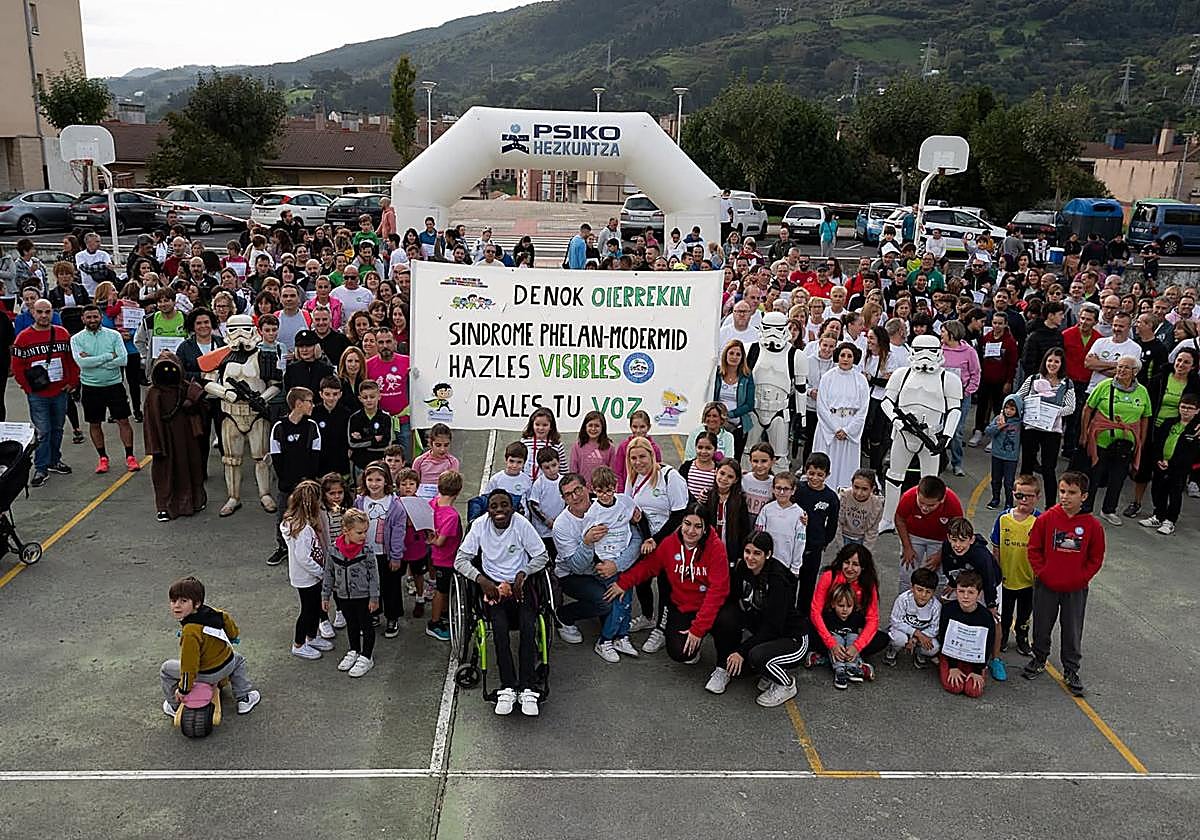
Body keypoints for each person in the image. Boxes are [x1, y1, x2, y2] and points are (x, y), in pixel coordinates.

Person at [608, 504, 731, 682]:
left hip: (709, 606)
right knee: (679, 653)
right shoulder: (670, 543)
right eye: (687, 524)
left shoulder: (716, 547)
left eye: (698, 526)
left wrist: (697, 630)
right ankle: (693, 647)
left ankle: (722, 666)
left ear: (705, 529)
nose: (690, 531)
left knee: (728, 621)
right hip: (684, 606)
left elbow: (717, 591)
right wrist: (623, 583)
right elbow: (649, 566)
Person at [455, 489, 550, 716]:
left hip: (520, 585)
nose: (499, 510)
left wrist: (522, 574)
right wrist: (482, 581)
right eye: (494, 506)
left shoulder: (521, 524)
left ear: (512, 507)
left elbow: (542, 556)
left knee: (528, 626)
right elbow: (460, 560)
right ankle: (507, 686)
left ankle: (527, 687)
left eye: (504, 505)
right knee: (499, 629)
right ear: (488, 510)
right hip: (493, 587)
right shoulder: (479, 526)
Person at [1023, 471, 1104, 696]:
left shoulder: (1092, 526)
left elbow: (1095, 558)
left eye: (1072, 492)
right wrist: (1043, 573)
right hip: (1046, 585)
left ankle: (1071, 669)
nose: (1065, 497)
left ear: (1084, 496)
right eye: (1062, 491)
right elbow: (1034, 549)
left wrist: (1080, 578)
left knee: (1072, 629)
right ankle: (1039, 658)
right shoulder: (1047, 519)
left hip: (1074, 590)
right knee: (1041, 624)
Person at [708, 531, 809, 704]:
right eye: (747, 552)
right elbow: (731, 599)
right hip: (765, 632)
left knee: (757, 656)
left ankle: (786, 684)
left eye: (757, 553)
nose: (750, 558)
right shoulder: (742, 568)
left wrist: (741, 651)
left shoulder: (778, 580)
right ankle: (724, 669)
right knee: (725, 618)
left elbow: (773, 627)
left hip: (792, 638)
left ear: (768, 554)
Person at [622, 437, 690, 651]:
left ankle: (661, 628)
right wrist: (645, 537)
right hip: (646, 538)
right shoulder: (632, 478)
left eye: (642, 456)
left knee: (664, 585)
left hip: (669, 539)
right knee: (642, 580)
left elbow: (679, 514)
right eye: (633, 458)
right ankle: (648, 616)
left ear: (652, 455)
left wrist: (656, 540)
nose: (638, 462)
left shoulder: (670, 477)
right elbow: (633, 511)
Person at [160, 576, 260, 719]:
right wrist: (233, 637)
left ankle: (173, 706)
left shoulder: (190, 632)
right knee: (239, 660)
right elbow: (230, 627)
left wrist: (183, 690)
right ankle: (243, 699)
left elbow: (189, 666)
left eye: (183, 601)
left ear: (196, 603)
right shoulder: (215, 614)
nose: (176, 605)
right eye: (173, 601)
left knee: (166, 669)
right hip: (226, 664)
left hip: (206, 674)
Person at [12, 298, 78, 487]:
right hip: (38, 394)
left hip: (59, 391)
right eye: (39, 312)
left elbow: (71, 360)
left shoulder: (62, 334)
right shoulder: (23, 338)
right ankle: (40, 467)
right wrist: (28, 387)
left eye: (47, 312)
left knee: (57, 428)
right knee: (43, 431)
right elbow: (17, 366)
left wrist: (72, 382)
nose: (43, 316)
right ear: (32, 312)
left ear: (52, 313)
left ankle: (54, 460)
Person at [1082, 357, 1152, 524]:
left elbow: (1145, 417)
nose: (1121, 370)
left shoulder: (1142, 391)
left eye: (1126, 368)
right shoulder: (1104, 386)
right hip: (1101, 440)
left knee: (1118, 477)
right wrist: (1084, 433)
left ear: (1135, 372)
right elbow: (1088, 408)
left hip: (1126, 444)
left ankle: (1109, 510)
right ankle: (1086, 509)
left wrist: (1141, 440)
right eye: (1119, 367)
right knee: (1094, 476)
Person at [70, 304, 138, 474]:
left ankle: (130, 456)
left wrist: (93, 360)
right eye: (89, 317)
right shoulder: (76, 339)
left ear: (101, 317)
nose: (92, 320)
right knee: (94, 423)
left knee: (123, 421)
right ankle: (103, 458)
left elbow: (123, 360)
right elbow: (82, 363)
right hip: (91, 388)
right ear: (83, 319)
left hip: (114, 385)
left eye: (95, 316)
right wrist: (109, 357)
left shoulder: (114, 335)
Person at [143, 353, 207, 521]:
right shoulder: (154, 393)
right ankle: (164, 506)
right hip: (165, 440)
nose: (168, 372)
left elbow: (201, 408)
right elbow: (150, 422)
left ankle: (193, 501)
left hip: (186, 438)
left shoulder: (184, 388)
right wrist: (154, 445)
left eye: (171, 368)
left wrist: (193, 402)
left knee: (190, 468)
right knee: (165, 473)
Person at [807, 543, 886, 674]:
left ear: (863, 567)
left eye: (855, 564)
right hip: (831, 623)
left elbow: (872, 619)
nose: (850, 568)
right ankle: (851, 661)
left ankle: (832, 657)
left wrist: (857, 646)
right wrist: (831, 643)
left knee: (882, 639)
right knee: (806, 628)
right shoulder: (829, 576)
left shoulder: (868, 583)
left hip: (853, 628)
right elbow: (815, 611)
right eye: (846, 562)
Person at [266, 387, 323, 566]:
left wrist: (308, 481)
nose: (312, 405)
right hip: (287, 484)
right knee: (283, 515)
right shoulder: (279, 427)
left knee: (310, 515)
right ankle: (283, 547)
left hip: (307, 483)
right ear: (298, 404)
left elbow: (315, 454)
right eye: (309, 401)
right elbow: (276, 456)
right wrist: (286, 480)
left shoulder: (312, 426)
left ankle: (313, 547)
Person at [281, 481, 336, 662]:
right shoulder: (303, 529)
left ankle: (312, 637)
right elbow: (303, 557)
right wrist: (320, 572)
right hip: (307, 578)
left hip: (308, 576)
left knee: (314, 608)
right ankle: (299, 644)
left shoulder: (294, 523)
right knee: (308, 610)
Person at [322, 507, 380, 677]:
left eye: (365, 532)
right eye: (359, 532)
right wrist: (325, 595)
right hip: (343, 596)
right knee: (352, 625)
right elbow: (329, 573)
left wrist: (374, 597)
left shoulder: (367, 551)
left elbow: (374, 575)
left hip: (363, 597)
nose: (363, 536)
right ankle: (354, 650)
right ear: (346, 531)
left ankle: (367, 656)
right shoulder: (334, 550)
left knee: (366, 626)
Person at [1015, 348, 1075, 506]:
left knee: (1049, 469)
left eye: (1056, 361)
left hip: (1052, 431)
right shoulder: (1033, 379)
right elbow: (1018, 397)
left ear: (1061, 364)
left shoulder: (1067, 383)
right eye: (1050, 360)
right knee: (1027, 466)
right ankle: (1022, 501)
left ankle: (1050, 506)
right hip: (1031, 429)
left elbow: (1071, 407)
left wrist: (1054, 412)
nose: (1052, 364)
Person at [355, 462, 408, 638]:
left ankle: (392, 617)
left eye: (378, 479)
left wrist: (396, 556)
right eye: (370, 479)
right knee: (369, 587)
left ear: (386, 481)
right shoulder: (360, 501)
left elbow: (399, 533)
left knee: (390, 587)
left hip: (385, 555)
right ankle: (374, 614)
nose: (374, 483)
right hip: (366, 554)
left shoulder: (395, 505)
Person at [991, 474, 1040, 656]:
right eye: (1019, 495)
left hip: (1028, 581)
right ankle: (1002, 638)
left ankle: (1022, 638)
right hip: (1006, 578)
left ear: (1037, 497)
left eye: (1029, 496)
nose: (1024, 499)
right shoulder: (1004, 518)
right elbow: (996, 545)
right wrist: (997, 571)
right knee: (1004, 614)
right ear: (1013, 494)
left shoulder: (1040, 521)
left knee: (1024, 616)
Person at [1139, 393, 1200, 535]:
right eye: (1183, 407)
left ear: (1197, 411)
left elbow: (1191, 453)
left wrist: (1172, 464)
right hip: (1161, 464)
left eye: (1190, 408)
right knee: (1158, 489)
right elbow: (1158, 442)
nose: (1185, 410)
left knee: (1174, 493)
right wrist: (1158, 459)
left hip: (1179, 468)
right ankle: (1158, 515)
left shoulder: (1196, 430)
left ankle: (1170, 520)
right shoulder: (1168, 422)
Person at [813, 342, 870, 489]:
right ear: (837, 356)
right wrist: (835, 428)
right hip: (829, 428)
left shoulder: (861, 380)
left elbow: (863, 409)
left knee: (847, 466)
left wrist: (847, 430)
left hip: (850, 429)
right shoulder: (827, 377)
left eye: (849, 356)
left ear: (854, 358)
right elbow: (822, 406)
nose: (845, 359)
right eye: (842, 355)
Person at [937, 570, 995, 699]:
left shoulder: (986, 617)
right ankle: (944, 665)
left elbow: (988, 644)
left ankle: (976, 671)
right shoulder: (948, 610)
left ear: (979, 594)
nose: (965, 597)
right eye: (961, 591)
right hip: (951, 656)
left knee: (973, 691)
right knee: (954, 686)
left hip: (974, 658)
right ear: (956, 591)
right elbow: (943, 636)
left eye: (971, 592)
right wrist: (952, 667)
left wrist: (978, 670)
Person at [425, 470, 463, 641]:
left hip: (436, 558)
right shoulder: (452, 516)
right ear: (458, 491)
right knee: (441, 591)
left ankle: (443, 613)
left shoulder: (433, 503)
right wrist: (432, 540)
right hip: (446, 559)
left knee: (444, 589)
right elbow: (440, 541)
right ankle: (434, 623)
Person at [940, 320, 981, 476]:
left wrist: (968, 391)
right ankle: (941, 460)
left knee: (956, 431)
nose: (941, 334)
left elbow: (975, 373)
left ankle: (957, 463)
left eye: (943, 331)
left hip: (961, 397)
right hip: (941, 396)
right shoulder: (939, 350)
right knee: (940, 428)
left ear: (952, 333)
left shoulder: (969, 351)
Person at [884, 567, 941, 668]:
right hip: (903, 631)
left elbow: (934, 629)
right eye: (919, 590)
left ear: (933, 592)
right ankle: (893, 649)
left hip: (923, 634)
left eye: (928, 592)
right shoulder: (903, 599)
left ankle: (919, 652)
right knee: (899, 639)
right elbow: (896, 621)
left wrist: (915, 639)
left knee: (934, 648)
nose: (923, 595)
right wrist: (915, 633)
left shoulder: (936, 606)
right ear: (912, 587)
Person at [755, 471, 807, 579]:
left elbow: (800, 542)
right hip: (767, 562)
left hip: (786, 564)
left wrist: (795, 566)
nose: (782, 492)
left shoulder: (799, 513)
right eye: (778, 488)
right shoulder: (767, 509)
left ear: (793, 491)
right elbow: (759, 535)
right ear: (773, 489)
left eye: (786, 489)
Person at [712, 340, 755, 461]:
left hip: (738, 426)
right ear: (725, 354)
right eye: (731, 353)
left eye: (738, 354)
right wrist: (720, 416)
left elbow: (750, 404)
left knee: (734, 460)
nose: (734, 357)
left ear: (742, 358)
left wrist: (730, 414)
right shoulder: (717, 373)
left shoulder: (747, 376)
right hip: (717, 424)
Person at [984, 395, 1024, 510]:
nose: (1008, 411)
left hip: (1011, 457)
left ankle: (1009, 502)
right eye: (1006, 408)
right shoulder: (998, 419)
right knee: (995, 479)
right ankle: (995, 498)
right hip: (997, 455)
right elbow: (988, 431)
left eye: (1012, 409)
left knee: (1009, 482)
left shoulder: (1019, 423)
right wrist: (999, 426)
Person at [611, 409, 662, 490]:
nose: (638, 431)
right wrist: (621, 492)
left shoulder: (654, 449)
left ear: (649, 427)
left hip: (648, 489)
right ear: (630, 426)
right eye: (635, 427)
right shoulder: (623, 446)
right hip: (627, 490)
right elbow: (618, 472)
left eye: (642, 427)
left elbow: (657, 471)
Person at [569, 410, 616, 488]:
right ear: (585, 427)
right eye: (590, 425)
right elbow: (573, 471)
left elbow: (612, 472)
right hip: (582, 489)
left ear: (602, 428)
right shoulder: (577, 446)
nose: (593, 429)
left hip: (602, 490)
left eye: (597, 426)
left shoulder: (610, 448)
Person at [836, 469, 881, 550]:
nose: (859, 493)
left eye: (864, 489)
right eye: (856, 487)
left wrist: (865, 551)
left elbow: (872, 530)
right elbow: (838, 522)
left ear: (872, 488)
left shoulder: (876, 503)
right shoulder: (844, 496)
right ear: (852, 484)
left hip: (862, 538)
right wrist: (841, 547)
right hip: (843, 535)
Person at [484, 441, 533, 511]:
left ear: (524, 463)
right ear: (506, 460)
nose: (514, 465)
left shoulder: (527, 480)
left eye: (519, 462)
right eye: (511, 461)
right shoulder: (496, 480)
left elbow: (529, 502)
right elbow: (487, 501)